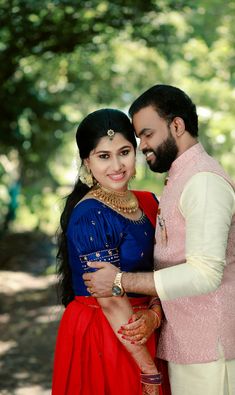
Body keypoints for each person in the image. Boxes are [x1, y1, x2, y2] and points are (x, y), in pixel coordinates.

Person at [83, 85, 235, 395]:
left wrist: (121, 281)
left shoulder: (203, 182)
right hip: (187, 343)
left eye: (148, 135)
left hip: (210, 348)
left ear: (177, 126)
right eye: (139, 139)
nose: (144, 146)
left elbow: (205, 273)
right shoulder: (181, 178)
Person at [52, 108, 171, 395]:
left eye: (124, 152)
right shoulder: (89, 214)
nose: (117, 165)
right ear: (87, 162)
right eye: (103, 156)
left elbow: (162, 265)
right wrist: (149, 371)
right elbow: (109, 298)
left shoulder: (149, 202)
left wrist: (154, 314)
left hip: (148, 327)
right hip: (107, 334)